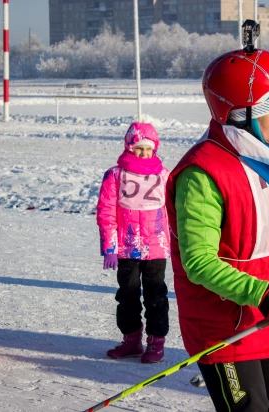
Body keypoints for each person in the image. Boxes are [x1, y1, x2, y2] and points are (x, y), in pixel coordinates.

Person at [165, 43, 269, 411]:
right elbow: (199, 262)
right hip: (227, 330)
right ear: (240, 114)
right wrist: (266, 296)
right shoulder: (203, 173)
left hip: (268, 321)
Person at [96, 122, 171, 363]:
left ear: (155, 149)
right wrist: (110, 247)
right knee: (127, 294)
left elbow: (175, 210)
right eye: (138, 148)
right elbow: (106, 212)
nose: (143, 153)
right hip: (127, 246)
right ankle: (131, 340)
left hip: (156, 246)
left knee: (155, 295)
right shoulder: (115, 175)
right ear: (129, 147)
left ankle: (156, 342)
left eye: (148, 148)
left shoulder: (163, 175)